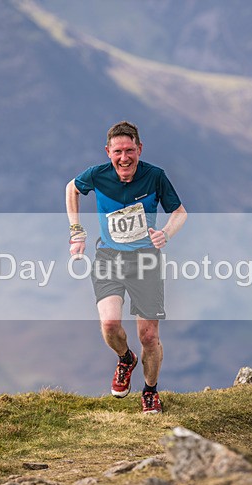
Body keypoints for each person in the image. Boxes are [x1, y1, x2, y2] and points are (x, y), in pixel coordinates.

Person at [65, 121, 187, 414]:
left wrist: (166, 233)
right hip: (108, 258)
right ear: (108, 152)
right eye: (118, 151)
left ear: (139, 149)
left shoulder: (155, 176)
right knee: (109, 325)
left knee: (149, 336)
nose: (124, 158)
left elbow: (180, 213)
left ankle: (150, 392)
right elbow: (72, 188)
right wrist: (77, 232)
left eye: (130, 150)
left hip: (146, 261)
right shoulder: (97, 175)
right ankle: (125, 358)